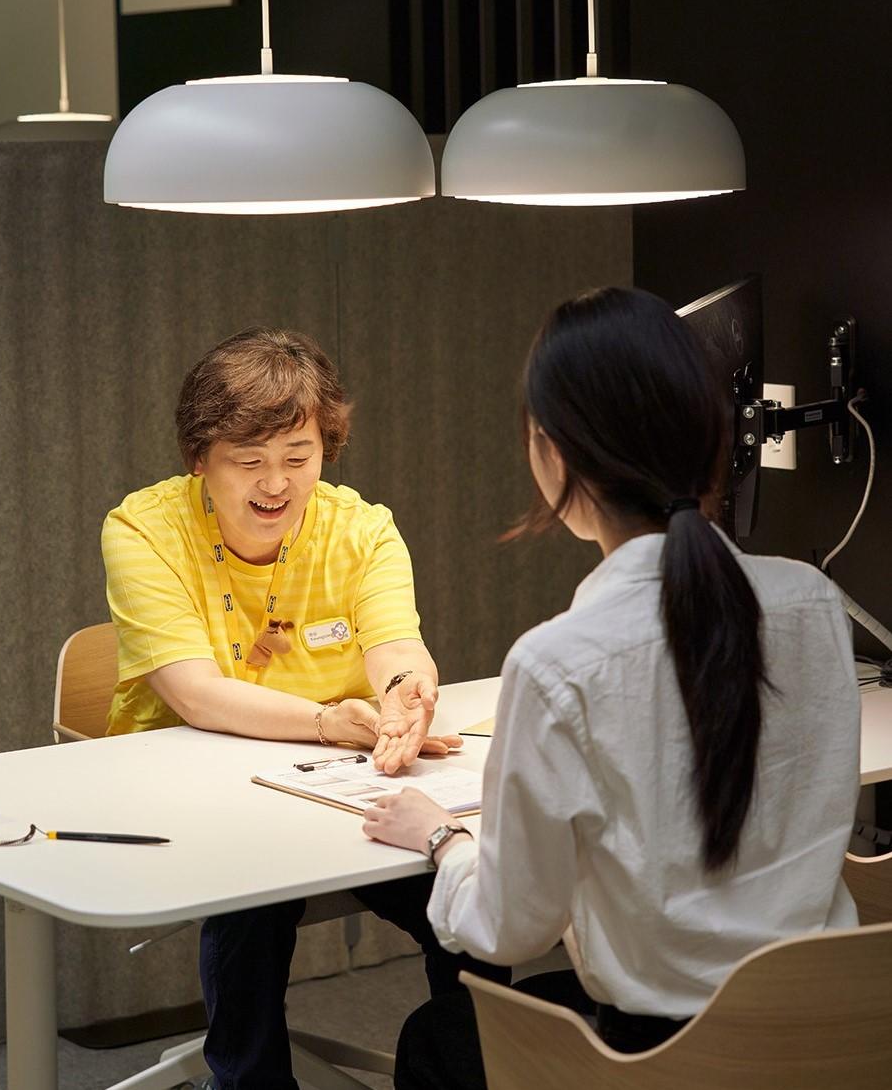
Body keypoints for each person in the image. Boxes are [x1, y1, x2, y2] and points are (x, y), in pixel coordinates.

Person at [362, 288, 861, 1090]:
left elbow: (505, 929)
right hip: (829, 1035)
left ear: (552, 454)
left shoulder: (557, 662)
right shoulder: (813, 604)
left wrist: (442, 840)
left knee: (436, 1039)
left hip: (659, 1060)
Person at [101, 326, 509, 1090]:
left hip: (339, 774)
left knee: (462, 891)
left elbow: (394, 642)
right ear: (200, 459)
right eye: (249, 461)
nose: (276, 483)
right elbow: (194, 693)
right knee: (249, 904)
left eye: (299, 458)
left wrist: (405, 695)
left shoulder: (360, 527)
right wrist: (327, 719)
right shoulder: (142, 529)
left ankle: (467, 1069)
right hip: (190, 778)